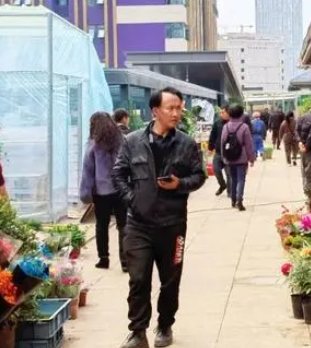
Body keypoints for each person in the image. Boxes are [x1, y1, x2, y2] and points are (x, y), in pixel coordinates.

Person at [113, 87, 206, 348]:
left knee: (170, 280)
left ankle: (165, 325)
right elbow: (119, 174)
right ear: (155, 111)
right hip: (138, 225)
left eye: (179, 108)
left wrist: (179, 184)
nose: (176, 113)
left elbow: (199, 176)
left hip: (173, 225)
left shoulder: (186, 144)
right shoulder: (132, 141)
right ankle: (137, 331)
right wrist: (133, 199)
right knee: (138, 279)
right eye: (170, 108)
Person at [79, 112, 127, 271]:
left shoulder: (93, 145)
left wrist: (86, 194)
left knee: (102, 225)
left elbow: (88, 171)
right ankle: (125, 261)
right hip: (121, 189)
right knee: (124, 225)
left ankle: (104, 259)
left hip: (102, 193)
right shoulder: (122, 141)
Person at [221, 105, 256, 211]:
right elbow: (249, 144)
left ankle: (233, 200)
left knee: (233, 178)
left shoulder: (226, 127)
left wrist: (224, 158)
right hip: (242, 158)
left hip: (230, 158)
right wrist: (251, 158)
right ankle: (239, 200)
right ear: (241, 114)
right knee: (241, 179)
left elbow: (223, 143)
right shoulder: (244, 127)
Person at [208, 105, 231, 197]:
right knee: (216, 170)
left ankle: (230, 191)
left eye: (223, 112)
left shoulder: (233, 124)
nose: (221, 114)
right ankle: (222, 185)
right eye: (220, 112)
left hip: (229, 154)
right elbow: (212, 136)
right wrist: (210, 147)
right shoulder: (217, 123)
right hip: (218, 152)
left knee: (229, 173)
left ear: (228, 113)